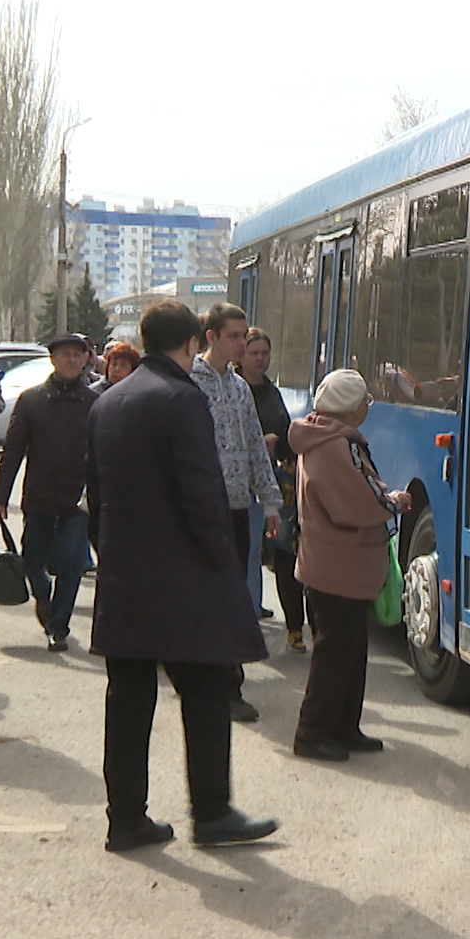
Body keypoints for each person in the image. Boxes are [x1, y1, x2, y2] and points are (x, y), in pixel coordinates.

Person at [88, 299, 277, 852]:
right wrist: (220, 559)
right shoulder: (182, 398)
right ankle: (212, 814)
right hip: (182, 579)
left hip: (124, 576)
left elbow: (96, 495)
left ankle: (125, 818)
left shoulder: (109, 402)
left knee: (127, 699)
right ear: (193, 342)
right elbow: (201, 491)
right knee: (207, 691)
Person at [288, 369, 410, 762]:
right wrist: (392, 502)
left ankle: (342, 727)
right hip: (337, 565)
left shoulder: (325, 438)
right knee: (334, 653)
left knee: (349, 651)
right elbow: (354, 502)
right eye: (364, 400)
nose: (367, 408)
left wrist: (384, 497)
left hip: (336, 563)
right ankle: (313, 733)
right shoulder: (334, 446)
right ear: (351, 406)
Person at [192, 303, 282, 722]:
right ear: (211, 337)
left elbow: (253, 450)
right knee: (205, 599)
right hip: (199, 509)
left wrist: (271, 501)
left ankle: (229, 687)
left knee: (232, 600)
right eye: (233, 336)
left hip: (237, 507)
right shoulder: (191, 383)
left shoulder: (240, 388)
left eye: (244, 336)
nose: (242, 344)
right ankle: (206, 682)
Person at [0, 333, 98, 651]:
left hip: (77, 501)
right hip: (38, 497)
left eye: (78, 355)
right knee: (33, 562)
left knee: (72, 563)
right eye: (65, 354)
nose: (72, 360)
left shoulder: (94, 403)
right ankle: (45, 601)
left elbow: (105, 453)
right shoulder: (32, 400)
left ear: (85, 360)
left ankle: (58, 626)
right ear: (53, 359)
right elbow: (12, 451)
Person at [242, 327, 304, 651]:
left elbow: (284, 430)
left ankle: (252, 609)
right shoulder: (235, 388)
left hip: (271, 482)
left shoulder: (271, 391)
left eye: (265, 353)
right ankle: (247, 615)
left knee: (266, 549)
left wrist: (285, 452)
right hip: (242, 481)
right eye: (254, 353)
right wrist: (258, 444)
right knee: (249, 550)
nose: (261, 359)